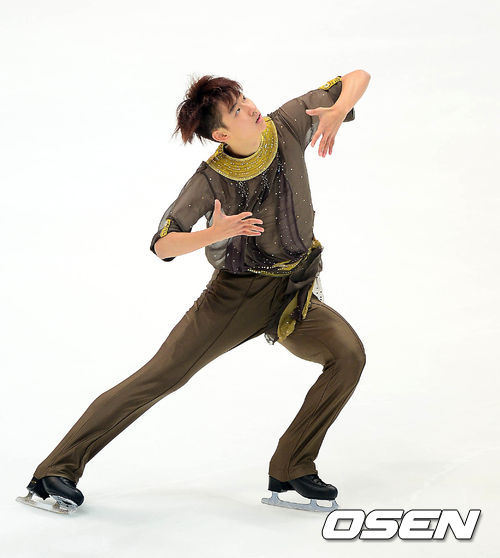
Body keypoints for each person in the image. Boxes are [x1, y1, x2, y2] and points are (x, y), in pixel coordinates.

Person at [17, 70, 371, 514]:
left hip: (292, 291)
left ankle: (292, 467)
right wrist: (215, 233)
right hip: (234, 298)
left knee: (348, 356)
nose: (251, 108)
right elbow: (163, 244)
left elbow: (357, 76)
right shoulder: (210, 180)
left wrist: (339, 109)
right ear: (221, 133)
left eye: (245, 99)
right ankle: (56, 470)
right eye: (237, 110)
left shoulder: (287, 123)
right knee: (160, 377)